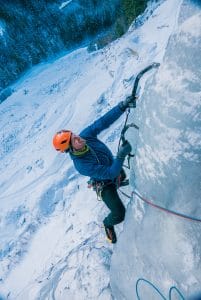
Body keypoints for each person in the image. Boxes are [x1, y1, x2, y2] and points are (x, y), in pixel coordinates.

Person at [52, 97, 134, 243]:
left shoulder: (86, 136)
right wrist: (121, 155)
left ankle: (120, 182)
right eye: (74, 141)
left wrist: (121, 106)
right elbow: (110, 173)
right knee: (119, 213)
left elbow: (102, 122)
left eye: (74, 135)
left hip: (112, 169)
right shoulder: (82, 165)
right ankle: (107, 224)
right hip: (105, 184)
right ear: (70, 149)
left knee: (121, 173)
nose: (78, 138)